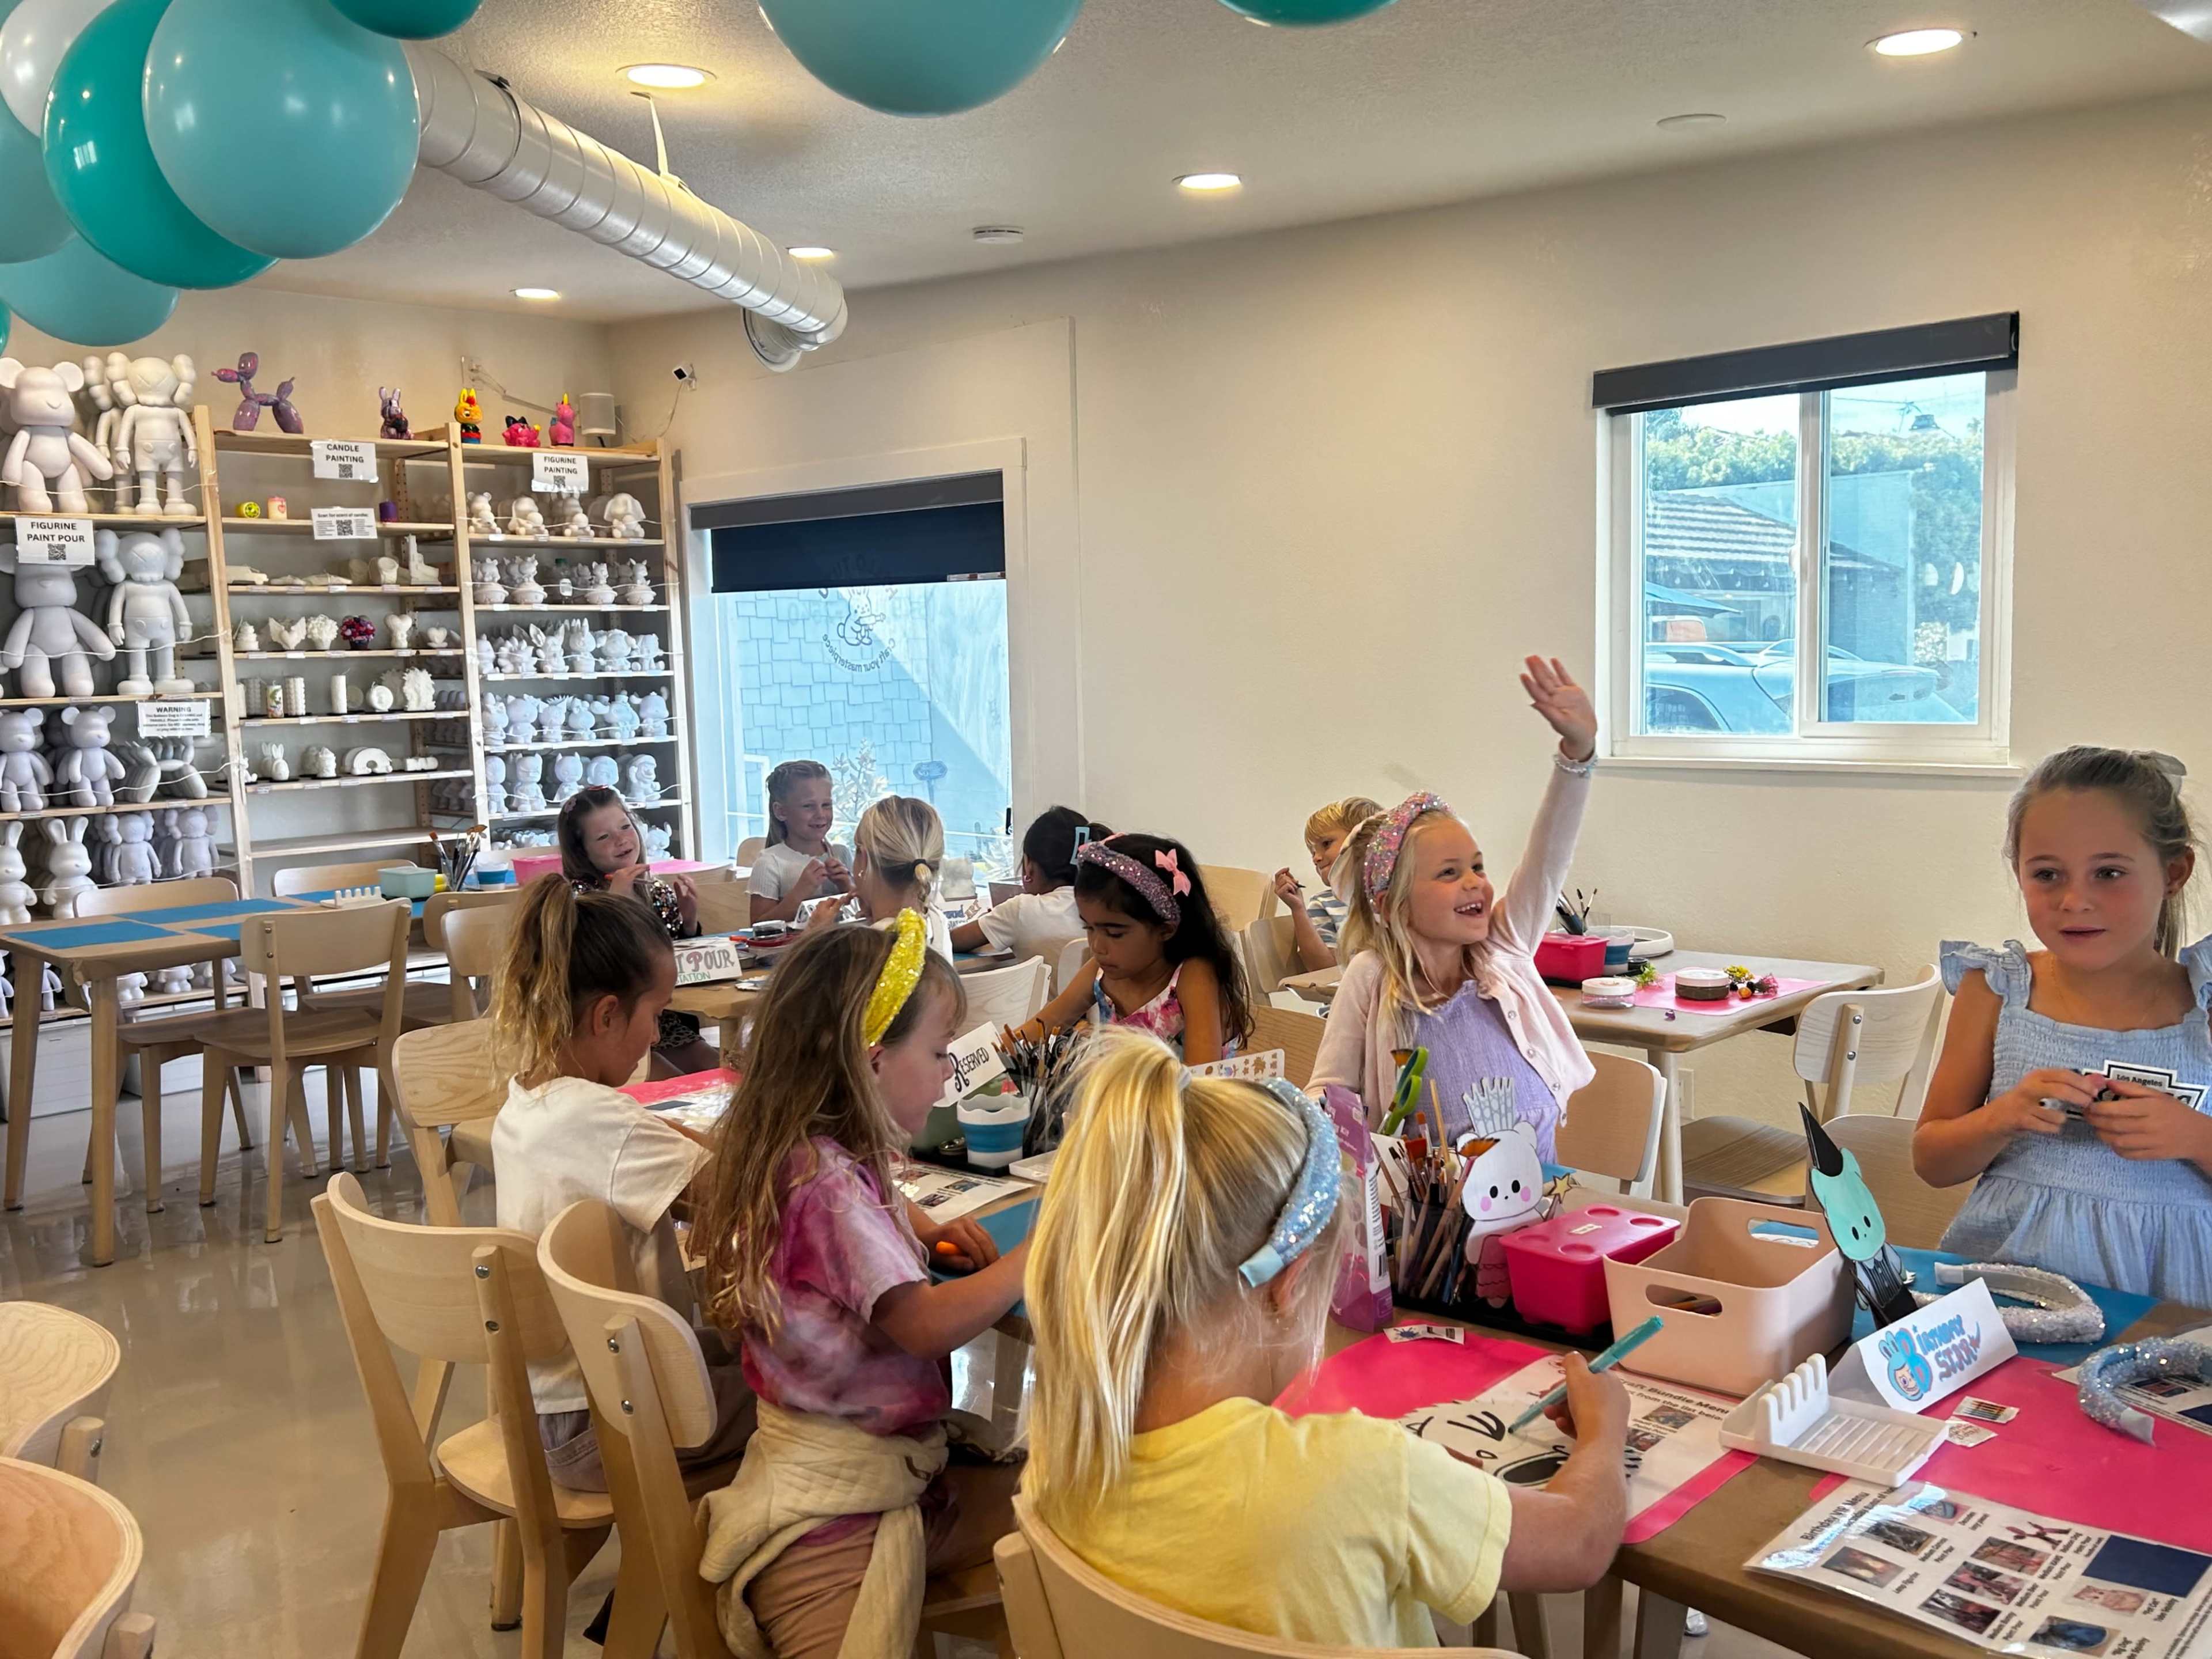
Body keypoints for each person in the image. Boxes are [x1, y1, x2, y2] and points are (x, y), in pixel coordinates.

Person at [1024, 1029, 1630, 1646]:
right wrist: (1604, 1434)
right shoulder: (1362, 1475)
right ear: (1290, 1283)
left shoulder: (1060, 1449)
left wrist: (1412, 1487)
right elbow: (1580, 1543)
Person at [691, 913, 1031, 1658]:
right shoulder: (831, 1191)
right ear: (872, 1062)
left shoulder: (801, 1155)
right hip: (836, 1509)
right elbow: (924, 1325)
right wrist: (1034, 1256)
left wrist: (911, 1222)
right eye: (939, 1053)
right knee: (1064, 1515)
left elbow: (847, 1225)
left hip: (835, 1455)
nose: (948, 1074)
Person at [1915, 746, 2212, 1304]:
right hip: (2008, 1296)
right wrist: (2002, 1118)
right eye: (2047, 874)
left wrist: (2196, 1138)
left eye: (2109, 873)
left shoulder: (2205, 1002)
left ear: (2173, 873)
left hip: (2174, 1307)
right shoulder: (1994, 990)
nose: (2075, 901)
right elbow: (1931, 1159)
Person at [487, 876, 756, 1490]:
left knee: (753, 1352)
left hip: (555, 1409)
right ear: (608, 1014)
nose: (657, 1038)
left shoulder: (525, 1104)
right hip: (607, 1418)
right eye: (657, 1015)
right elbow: (739, 1189)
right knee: (822, 1387)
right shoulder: (599, 1119)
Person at [1310, 657, 1600, 1156]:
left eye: (1478, 868)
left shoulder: (1501, 950)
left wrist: (1578, 755)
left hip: (1535, 1216)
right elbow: (1331, 1092)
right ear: (1392, 905)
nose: (1475, 885)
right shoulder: (1372, 976)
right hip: (1426, 1225)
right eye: (1448, 873)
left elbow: (1549, 857)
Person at [1014, 831, 1251, 1063]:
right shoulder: (1101, 970)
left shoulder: (1193, 976)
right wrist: (986, 1057)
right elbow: (1041, 1027)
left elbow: (1201, 1083)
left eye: (1115, 934)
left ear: (1166, 929)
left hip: (1190, 1100)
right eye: (1089, 929)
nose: (1097, 946)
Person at [558, 786, 717, 1075]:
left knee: (716, 1071)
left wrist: (689, 920)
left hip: (663, 1022)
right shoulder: (580, 900)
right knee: (672, 1084)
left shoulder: (655, 890)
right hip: (611, 1028)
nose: (621, 840)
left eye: (625, 827)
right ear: (582, 852)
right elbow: (594, 971)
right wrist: (616, 905)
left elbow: (674, 963)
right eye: (604, 837)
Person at [950, 805, 1109, 965]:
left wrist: (990, 921)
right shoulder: (1107, 904)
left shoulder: (1020, 910)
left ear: (1029, 866)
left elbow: (951, 941)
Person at [1274, 796, 1385, 974]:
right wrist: (1298, 909)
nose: (1316, 858)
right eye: (1312, 852)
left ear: (1365, 840)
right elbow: (1322, 971)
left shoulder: (1399, 896)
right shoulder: (1323, 904)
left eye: (1326, 844)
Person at [751, 759, 854, 925]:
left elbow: (864, 912)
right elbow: (758, 928)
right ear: (781, 812)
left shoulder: (842, 853)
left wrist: (847, 886)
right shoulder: (769, 863)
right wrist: (800, 892)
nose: (821, 814)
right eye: (808, 806)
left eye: (826, 805)